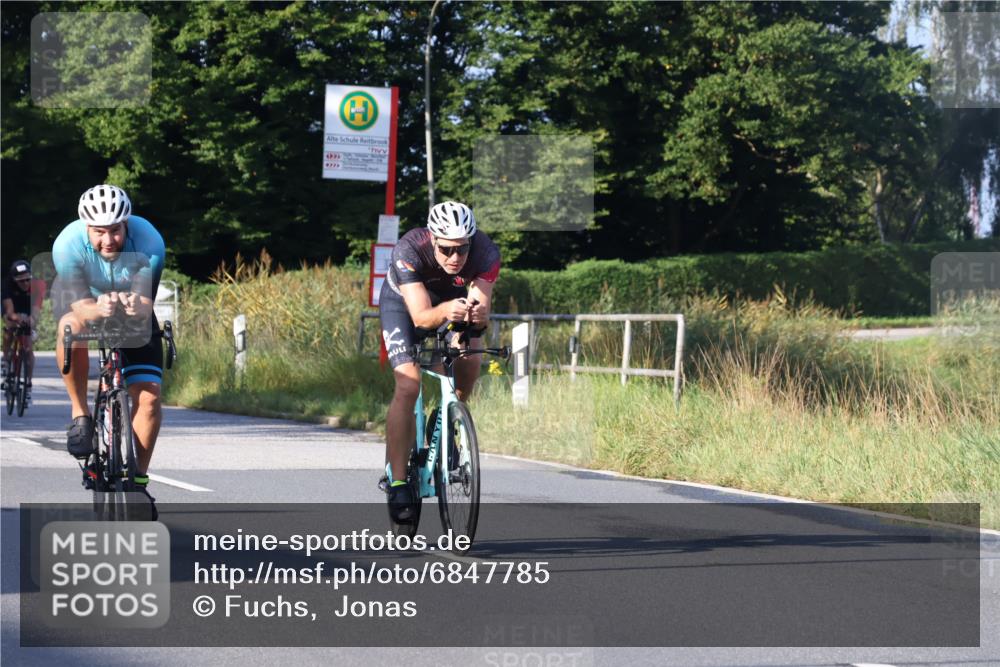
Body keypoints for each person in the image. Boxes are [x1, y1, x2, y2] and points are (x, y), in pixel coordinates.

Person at [378, 201, 501, 522]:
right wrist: (448, 311)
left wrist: (473, 322)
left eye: (462, 249)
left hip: (451, 305)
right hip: (404, 307)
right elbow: (420, 318)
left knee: (470, 360)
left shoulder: (486, 254)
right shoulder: (409, 249)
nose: (455, 258)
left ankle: (446, 421)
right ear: (432, 239)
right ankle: (399, 481)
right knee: (409, 384)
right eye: (446, 250)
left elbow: (480, 312)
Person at [52, 184, 165, 512]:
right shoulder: (67, 245)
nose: (108, 240)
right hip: (87, 302)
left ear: (126, 224)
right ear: (87, 227)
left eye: (115, 231)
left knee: (150, 399)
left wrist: (132, 305)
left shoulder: (149, 241)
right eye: (99, 232)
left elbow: (145, 305)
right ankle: (80, 413)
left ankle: (138, 484)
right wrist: (100, 307)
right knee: (69, 327)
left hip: (132, 309)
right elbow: (83, 307)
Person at [1, 259, 45, 403]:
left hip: (28, 307)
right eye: (21, 281)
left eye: (27, 280)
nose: (25, 283)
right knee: (9, 327)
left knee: (28, 348)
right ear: (14, 280)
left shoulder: (38, 285)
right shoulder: (7, 285)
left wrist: (32, 321)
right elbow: (10, 311)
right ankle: (6, 359)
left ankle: (28, 384)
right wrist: (16, 319)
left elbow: (37, 309)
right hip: (13, 307)